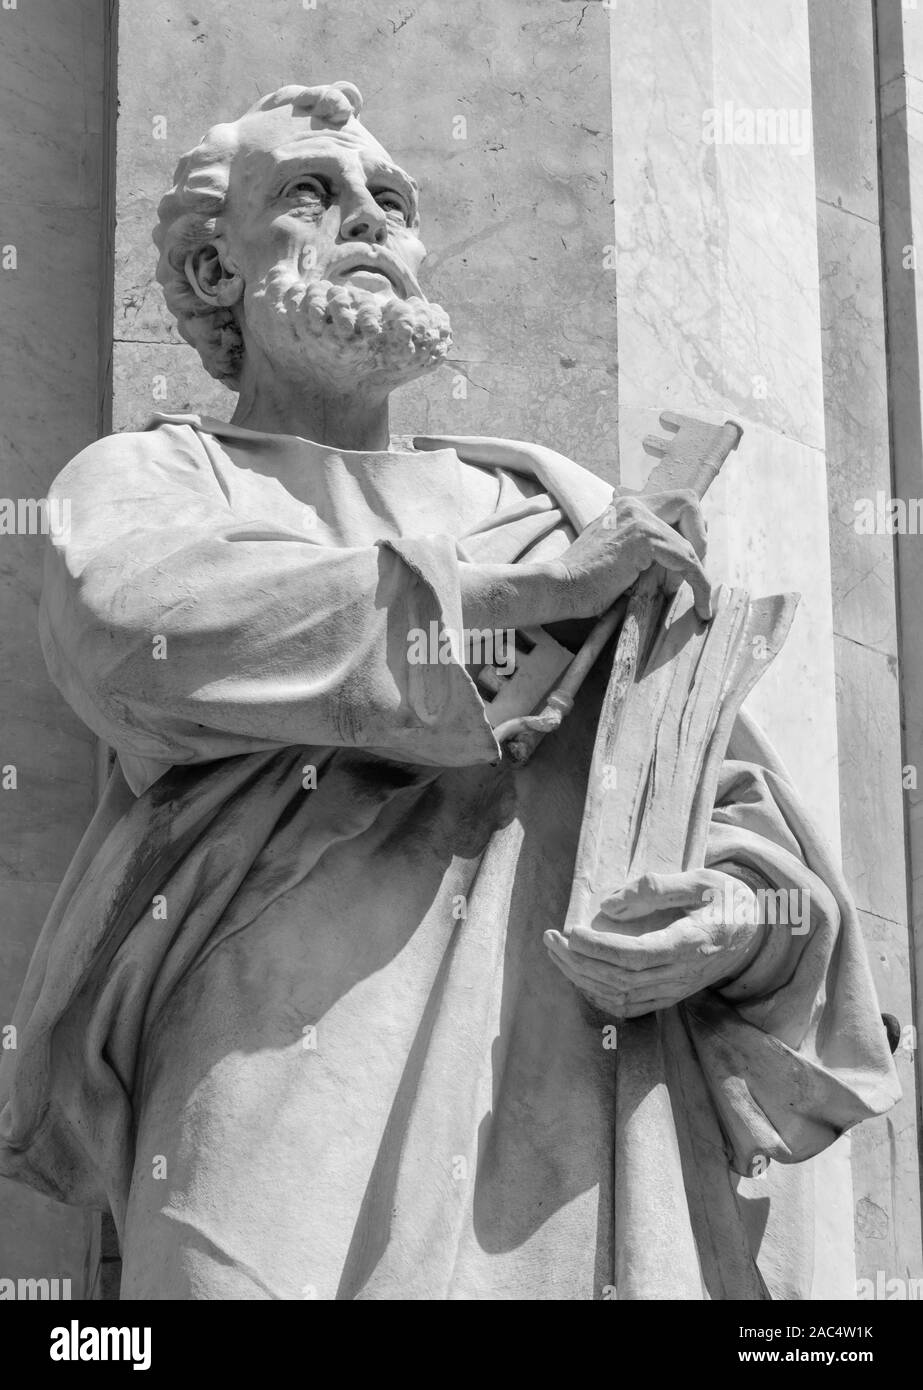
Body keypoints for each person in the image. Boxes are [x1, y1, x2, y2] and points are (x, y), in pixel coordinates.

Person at [0, 81, 898, 1300]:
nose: (367, 222)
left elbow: (714, 791)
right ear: (216, 273)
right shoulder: (157, 476)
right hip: (263, 1065)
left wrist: (729, 926)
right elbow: (133, 630)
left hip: (550, 1091)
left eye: (391, 201)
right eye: (312, 193)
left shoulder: (551, 507)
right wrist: (518, 599)